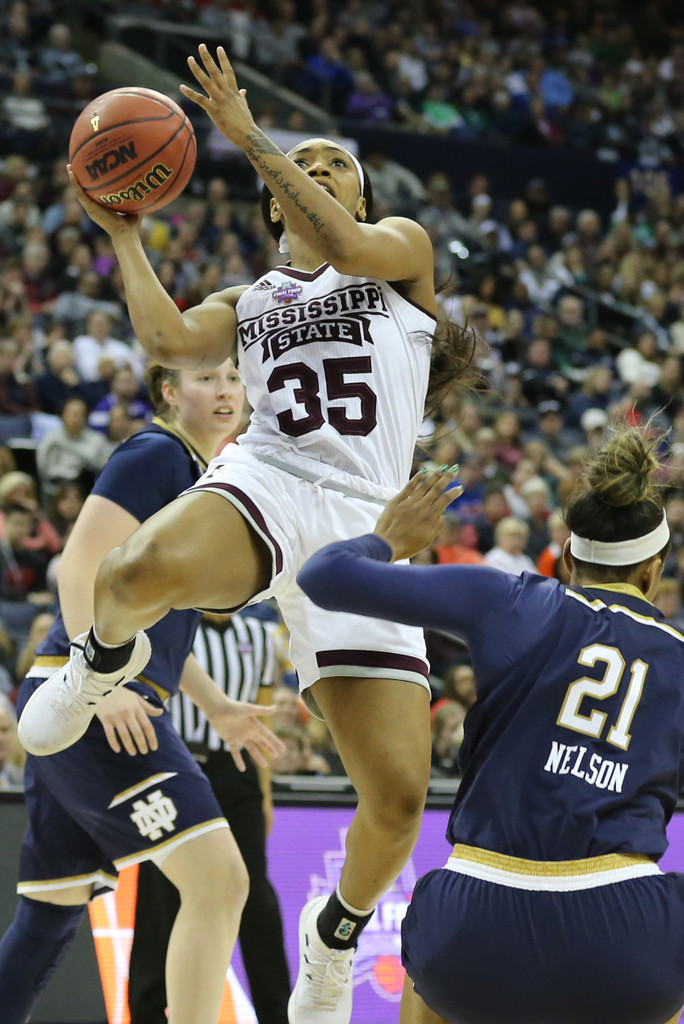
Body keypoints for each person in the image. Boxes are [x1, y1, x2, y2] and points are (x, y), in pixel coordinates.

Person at [18, 44, 477, 1024]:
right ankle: (95, 668)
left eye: (335, 170)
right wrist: (129, 236)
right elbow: (171, 343)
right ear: (272, 208)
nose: (316, 178)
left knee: (397, 799)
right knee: (134, 569)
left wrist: (250, 136)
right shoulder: (251, 301)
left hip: (362, 521)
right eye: (301, 172)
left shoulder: (397, 254)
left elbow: (350, 248)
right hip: (271, 478)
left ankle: (335, 937)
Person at [296, 428, 684, 1024]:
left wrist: (386, 539)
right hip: (622, 941)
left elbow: (322, 577)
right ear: (655, 571)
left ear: (570, 558)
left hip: (479, 920)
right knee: (668, 924)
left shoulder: (512, 600)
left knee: (434, 944)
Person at [0, 359, 284, 1024]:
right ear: (165, 391)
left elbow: (155, 614)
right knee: (220, 882)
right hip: (85, 696)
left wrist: (214, 704)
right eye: (206, 378)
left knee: (50, 912)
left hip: (83, 694)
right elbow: (77, 565)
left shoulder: (209, 475)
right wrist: (100, 677)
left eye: (233, 379)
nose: (224, 391)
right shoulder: (157, 454)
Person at [128, 609, 291, 1024]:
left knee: (253, 892)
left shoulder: (260, 634)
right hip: (176, 764)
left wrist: (265, 795)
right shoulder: (175, 626)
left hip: (237, 772)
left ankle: (278, 1012)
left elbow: (259, 720)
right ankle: (147, 1010)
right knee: (161, 891)